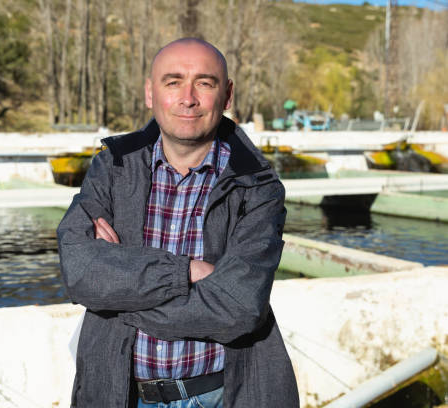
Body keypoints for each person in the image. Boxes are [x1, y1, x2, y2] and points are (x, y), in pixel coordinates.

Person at [57, 38, 299, 408]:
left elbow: (238, 307)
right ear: (150, 94)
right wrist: (186, 271)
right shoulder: (113, 167)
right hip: (118, 395)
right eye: (172, 82)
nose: (188, 98)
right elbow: (79, 269)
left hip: (218, 395)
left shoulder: (258, 185)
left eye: (205, 83)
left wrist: (118, 293)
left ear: (227, 94)